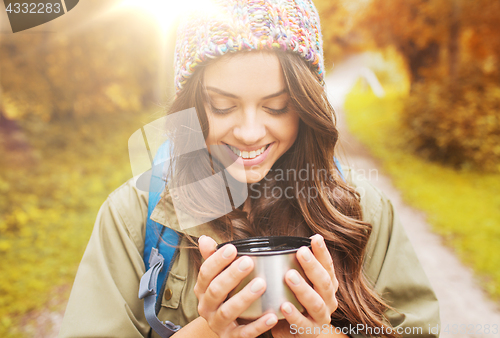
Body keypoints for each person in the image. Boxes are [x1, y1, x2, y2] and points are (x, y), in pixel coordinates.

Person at [59, 0, 440, 337]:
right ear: (192, 104)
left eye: (277, 107)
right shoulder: (136, 214)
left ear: (306, 106)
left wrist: (322, 335)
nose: (249, 133)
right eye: (223, 106)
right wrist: (209, 330)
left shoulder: (361, 210)